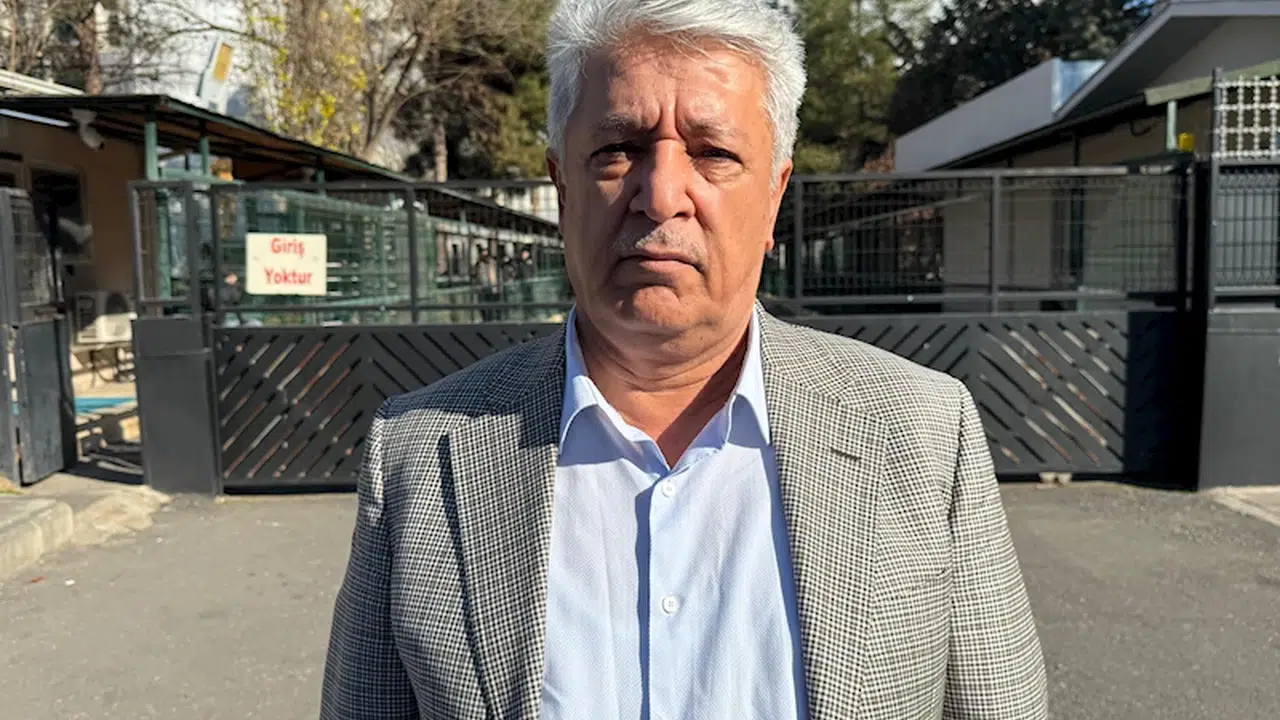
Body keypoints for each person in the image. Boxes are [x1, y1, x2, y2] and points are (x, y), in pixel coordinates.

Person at [320, 0, 1047, 718]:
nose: (662, 195)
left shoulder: (924, 431)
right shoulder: (418, 453)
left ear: (773, 197)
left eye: (714, 153)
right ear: (563, 188)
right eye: (618, 149)